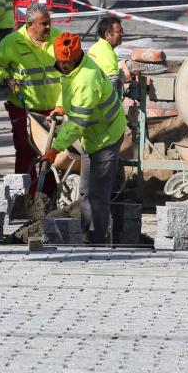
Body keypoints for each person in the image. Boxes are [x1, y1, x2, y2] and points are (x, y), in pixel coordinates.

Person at [42, 32, 126, 244]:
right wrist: (61, 104)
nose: (62, 67)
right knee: (86, 190)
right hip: (93, 137)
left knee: (98, 194)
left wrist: (55, 148)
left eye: (65, 64)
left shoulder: (87, 80)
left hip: (106, 137)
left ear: (76, 58)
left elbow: (77, 124)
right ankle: (87, 234)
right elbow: (67, 87)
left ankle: (96, 239)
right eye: (60, 63)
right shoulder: (71, 68)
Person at [0, 3, 63, 194]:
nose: (48, 27)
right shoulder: (12, 42)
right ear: (30, 24)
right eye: (44, 24)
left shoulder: (57, 38)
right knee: (25, 150)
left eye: (49, 23)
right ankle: (24, 193)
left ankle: (49, 193)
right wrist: (6, 78)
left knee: (53, 152)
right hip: (24, 108)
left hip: (53, 109)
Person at [87, 15, 124, 93]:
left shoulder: (96, 47)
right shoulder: (107, 55)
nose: (122, 34)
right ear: (107, 35)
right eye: (119, 32)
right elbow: (112, 87)